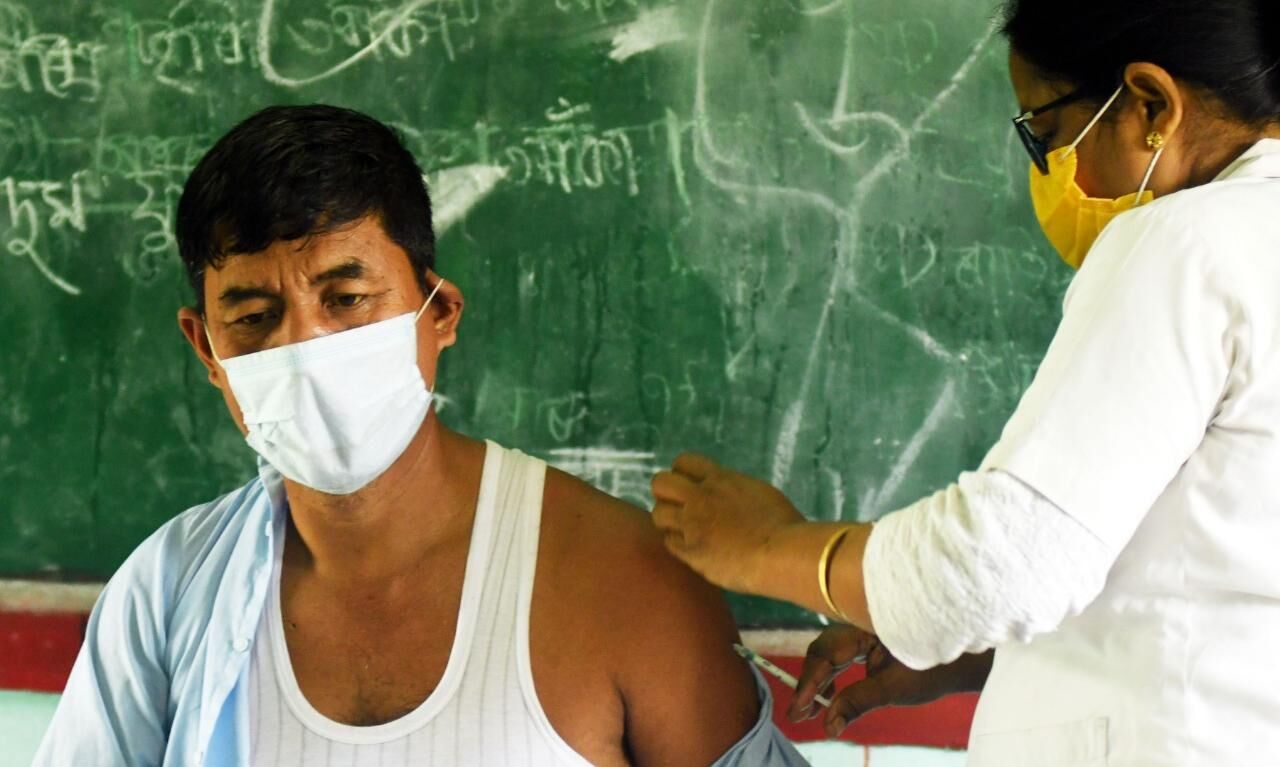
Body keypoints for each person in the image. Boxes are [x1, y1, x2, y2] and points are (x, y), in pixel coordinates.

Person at [32, 105, 806, 767]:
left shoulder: (628, 585)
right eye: (255, 317)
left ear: (440, 312)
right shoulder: (169, 596)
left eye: (347, 298)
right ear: (206, 348)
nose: (302, 347)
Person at [650, 0, 1280, 763]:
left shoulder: (1185, 242)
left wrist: (767, 546)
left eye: (1048, 133)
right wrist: (971, 652)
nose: (1053, 173)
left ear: (1150, 105)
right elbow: (1213, 583)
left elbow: (1008, 560)